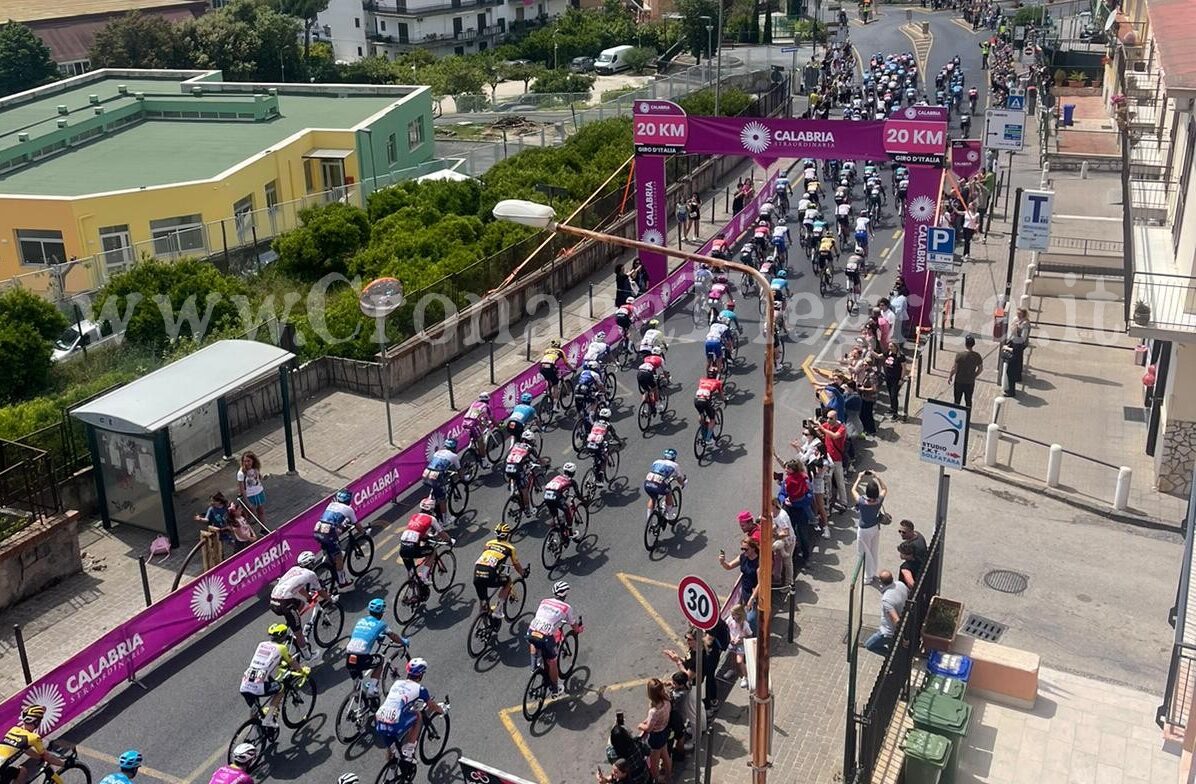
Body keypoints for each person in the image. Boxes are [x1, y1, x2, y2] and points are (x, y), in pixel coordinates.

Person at [374, 659, 447, 773]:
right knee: (417, 715)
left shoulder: (396, 683)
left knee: (392, 747)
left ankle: (391, 766)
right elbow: (432, 706)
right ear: (421, 675)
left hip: (379, 719)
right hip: (394, 723)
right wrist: (442, 710)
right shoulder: (420, 689)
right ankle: (408, 750)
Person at [239, 623, 309, 728]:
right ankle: (268, 719)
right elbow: (292, 662)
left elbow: (268, 660)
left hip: (245, 684)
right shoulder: (282, 648)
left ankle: (254, 727)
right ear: (282, 636)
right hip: (258, 685)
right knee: (282, 688)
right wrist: (301, 670)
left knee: (255, 708)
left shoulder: (261, 644)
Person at [527, 581, 583, 697]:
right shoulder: (566, 607)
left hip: (532, 629)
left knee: (533, 640)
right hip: (546, 636)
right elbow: (573, 625)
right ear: (566, 594)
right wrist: (578, 630)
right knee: (552, 662)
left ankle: (534, 667)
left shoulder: (544, 601)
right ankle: (555, 689)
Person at [269, 551, 330, 655]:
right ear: (311, 564)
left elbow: (299, 586)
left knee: (301, 604)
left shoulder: (293, 569)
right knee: (299, 632)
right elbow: (320, 591)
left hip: (273, 600)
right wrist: (330, 599)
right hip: (285, 603)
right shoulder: (311, 574)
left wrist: (307, 597)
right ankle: (307, 655)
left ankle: (292, 624)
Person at [345, 598, 407, 694]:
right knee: (380, 660)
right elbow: (393, 636)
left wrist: (377, 636)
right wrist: (403, 642)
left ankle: (357, 693)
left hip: (349, 656)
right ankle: (372, 689)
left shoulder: (361, 620)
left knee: (358, 681)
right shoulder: (382, 624)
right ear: (381, 613)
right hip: (362, 657)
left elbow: (364, 633)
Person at [399, 499, 453, 601]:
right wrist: (450, 540)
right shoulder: (431, 518)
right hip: (412, 548)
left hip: (403, 548)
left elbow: (416, 530)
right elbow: (441, 533)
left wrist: (426, 536)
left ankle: (412, 588)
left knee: (411, 571)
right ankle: (424, 576)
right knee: (432, 551)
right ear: (431, 509)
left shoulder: (414, 516)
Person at [473, 524, 527, 625]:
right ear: (507, 535)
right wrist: (523, 573)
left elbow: (488, 557)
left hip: (477, 572)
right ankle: (498, 610)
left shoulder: (488, 543)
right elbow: (516, 565)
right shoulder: (510, 548)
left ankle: (483, 618)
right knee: (508, 581)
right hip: (490, 574)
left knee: (483, 600)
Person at [314, 489, 366, 590]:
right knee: (339, 556)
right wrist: (363, 533)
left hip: (318, 530)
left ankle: (326, 563)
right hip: (329, 534)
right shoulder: (349, 509)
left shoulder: (331, 504)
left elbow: (334, 520)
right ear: (348, 500)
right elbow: (357, 525)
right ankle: (342, 581)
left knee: (329, 548)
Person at [0, 706, 62, 784]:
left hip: (2, 768)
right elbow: (47, 757)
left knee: (22, 771)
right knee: (21, 772)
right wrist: (64, 763)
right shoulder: (34, 737)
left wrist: (40, 757)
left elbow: (25, 749)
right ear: (37, 722)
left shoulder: (13, 730)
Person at [851, 471, 887, 583]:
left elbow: (853, 490)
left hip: (863, 530)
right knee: (873, 551)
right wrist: (878, 477)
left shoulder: (861, 501)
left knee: (863, 553)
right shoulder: (879, 500)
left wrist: (859, 478)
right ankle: (872, 572)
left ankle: (868, 577)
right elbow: (885, 489)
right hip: (875, 527)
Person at [719, 538, 760, 633]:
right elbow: (729, 566)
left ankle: (754, 635)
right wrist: (722, 562)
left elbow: (760, 583)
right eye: (742, 549)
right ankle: (744, 630)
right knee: (742, 613)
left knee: (751, 618)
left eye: (746, 549)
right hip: (745, 590)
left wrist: (752, 598)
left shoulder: (758, 563)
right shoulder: (743, 557)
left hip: (755, 593)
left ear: (753, 548)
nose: (743, 551)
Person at [864, 571, 908, 655]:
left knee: (869, 645)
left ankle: (891, 656)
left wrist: (902, 638)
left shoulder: (886, 599)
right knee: (892, 646)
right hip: (899, 625)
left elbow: (896, 619)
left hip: (887, 632)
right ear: (892, 578)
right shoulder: (900, 584)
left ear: (881, 582)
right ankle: (895, 653)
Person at [637, 678, 672, 783]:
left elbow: (649, 728)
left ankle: (656, 780)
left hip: (656, 737)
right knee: (665, 755)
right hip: (665, 731)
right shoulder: (667, 701)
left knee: (654, 763)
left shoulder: (654, 711)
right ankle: (668, 776)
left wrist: (640, 726)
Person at [644, 449, 685, 525]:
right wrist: (683, 484)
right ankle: (669, 514)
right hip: (659, 484)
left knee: (653, 498)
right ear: (674, 458)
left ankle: (649, 520)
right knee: (668, 493)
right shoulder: (675, 465)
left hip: (647, 483)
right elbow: (679, 479)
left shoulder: (656, 461)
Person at [817, 412, 849, 509]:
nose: (828, 420)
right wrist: (816, 424)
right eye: (827, 418)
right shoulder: (827, 425)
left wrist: (823, 429)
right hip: (828, 458)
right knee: (828, 481)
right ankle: (830, 501)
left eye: (830, 418)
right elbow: (818, 428)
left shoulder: (842, 428)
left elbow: (835, 436)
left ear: (836, 418)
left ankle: (844, 502)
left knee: (840, 481)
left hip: (836, 459)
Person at [543, 462, 583, 541]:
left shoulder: (558, 476)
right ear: (573, 473)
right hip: (556, 496)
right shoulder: (572, 481)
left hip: (546, 495)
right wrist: (583, 500)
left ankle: (556, 532)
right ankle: (571, 533)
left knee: (556, 516)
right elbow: (578, 494)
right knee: (567, 510)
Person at [948, 334, 984, 408]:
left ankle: (955, 417)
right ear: (973, 344)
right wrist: (974, 375)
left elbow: (954, 368)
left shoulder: (960, 355)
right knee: (968, 400)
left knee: (957, 401)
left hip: (959, 381)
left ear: (965, 344)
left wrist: (950, 376)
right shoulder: (977, 356)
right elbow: (980, 369)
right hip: (970, 382)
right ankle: (967, 417)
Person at [540, 340, 574, 414]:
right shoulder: (560, 351)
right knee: (555, 385)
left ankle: (547, 393)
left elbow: (547, 359)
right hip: (550, 366)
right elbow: (566, 363)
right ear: (559, 346)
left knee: (548, 378)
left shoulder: (547, 350)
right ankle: (555, 405)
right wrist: (573, 369)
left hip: (542, 366)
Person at [1003, 308, 1031, 397]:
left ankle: (1011, 391)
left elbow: (1023, 338)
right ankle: (1016, 379)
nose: (1018, 315)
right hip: (1014, 343)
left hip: (1018, 345)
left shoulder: (1025, 324)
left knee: (1011, 370)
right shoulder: (1016, 320)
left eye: (1020, 314)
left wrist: (1009, 347)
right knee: (1016, 365)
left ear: (1024, 314)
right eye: (1017, 313)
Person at [693, 368, 724, 443]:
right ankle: (708, 438)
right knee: (712, 420)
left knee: (701, 413)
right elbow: (721, 395)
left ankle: (702, 426)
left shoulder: (702, 380)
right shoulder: (718, 382)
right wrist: (725, 399)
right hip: (705, 401)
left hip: (696, 400)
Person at [726, 605, 752, 688]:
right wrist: (731, 638)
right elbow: (728, 628)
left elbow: (750, 635)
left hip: (741, 644)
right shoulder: (730, 619)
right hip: (732, 642)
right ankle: (732, 670)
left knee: (739, 661)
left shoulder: (744, 624)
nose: (732, 616)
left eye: (734, 614)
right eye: (731, 614)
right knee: (732, 657)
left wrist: (741, 639)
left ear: (739, 614)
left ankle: (745, 677)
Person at [237, 451, 266, 526]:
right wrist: (247, 502)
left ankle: (263, 529)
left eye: (248, 461)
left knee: (261, 511)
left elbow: (258, 478)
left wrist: (263, 477)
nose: (247, 463)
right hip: (249, 495)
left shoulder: (255, 468)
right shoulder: (241, 473)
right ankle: (247, 530)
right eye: (245, 461)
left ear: (253, 461)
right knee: (250, 514)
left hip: (259, 492)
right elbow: (242, 489)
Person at [881, 342, 908, 420]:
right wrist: (871, 350)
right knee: (890, 394)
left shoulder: (901, 357)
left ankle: (895, 414)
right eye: (889, 346)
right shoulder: (888, 353)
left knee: (894, 395)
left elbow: (904, 368)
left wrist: (901, 379)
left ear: (896, 347)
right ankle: (892, 409)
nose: (889, 348)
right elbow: (879, 356)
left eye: (891, 346)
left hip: (896, 379)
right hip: (888, 378)